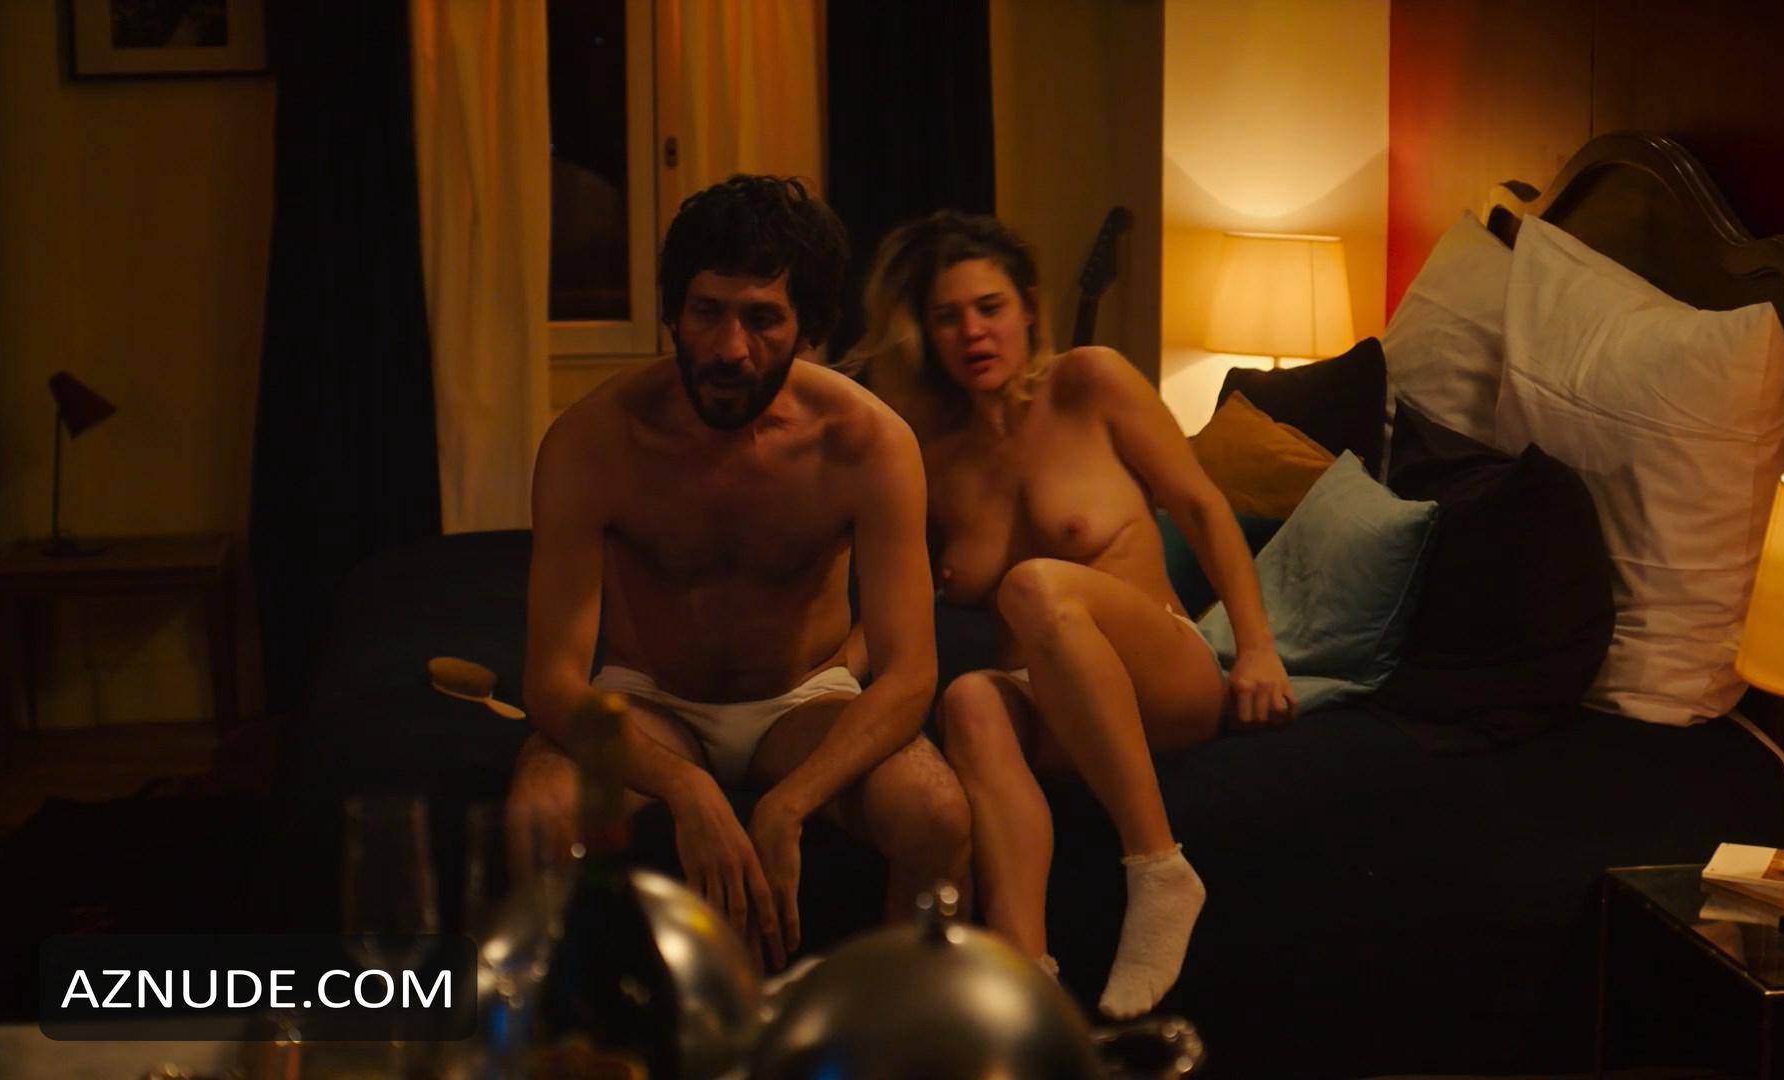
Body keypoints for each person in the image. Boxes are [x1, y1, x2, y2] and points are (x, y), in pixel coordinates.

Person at [842, 211, 1296, 1019]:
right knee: (969, 699)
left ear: (1028, 308)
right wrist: (823, 688)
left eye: (989, 307)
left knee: (1032, 588)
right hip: (1052, 704)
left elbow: (1201, 506)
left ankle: (1159, 868)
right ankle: (1027, 989)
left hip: (1166, 677)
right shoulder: (934, 459)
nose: (973, 332)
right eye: (948, 317)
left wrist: (1257, 647)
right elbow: (893, 603)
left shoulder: (1090, 383)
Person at [509, 176, 970, 972]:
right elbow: (551, 683)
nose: (728, 348)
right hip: (649, 697)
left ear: (807, 329)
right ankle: (571, 1029)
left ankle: (900, 1024)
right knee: (541, 814)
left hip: (805, 698)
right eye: (706, 312)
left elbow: (908, 677)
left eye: (761, 319)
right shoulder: (594, 439)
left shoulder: (868, 442)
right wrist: (686, 788)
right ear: (673, 313)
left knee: (938, 815)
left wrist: (789, 804)